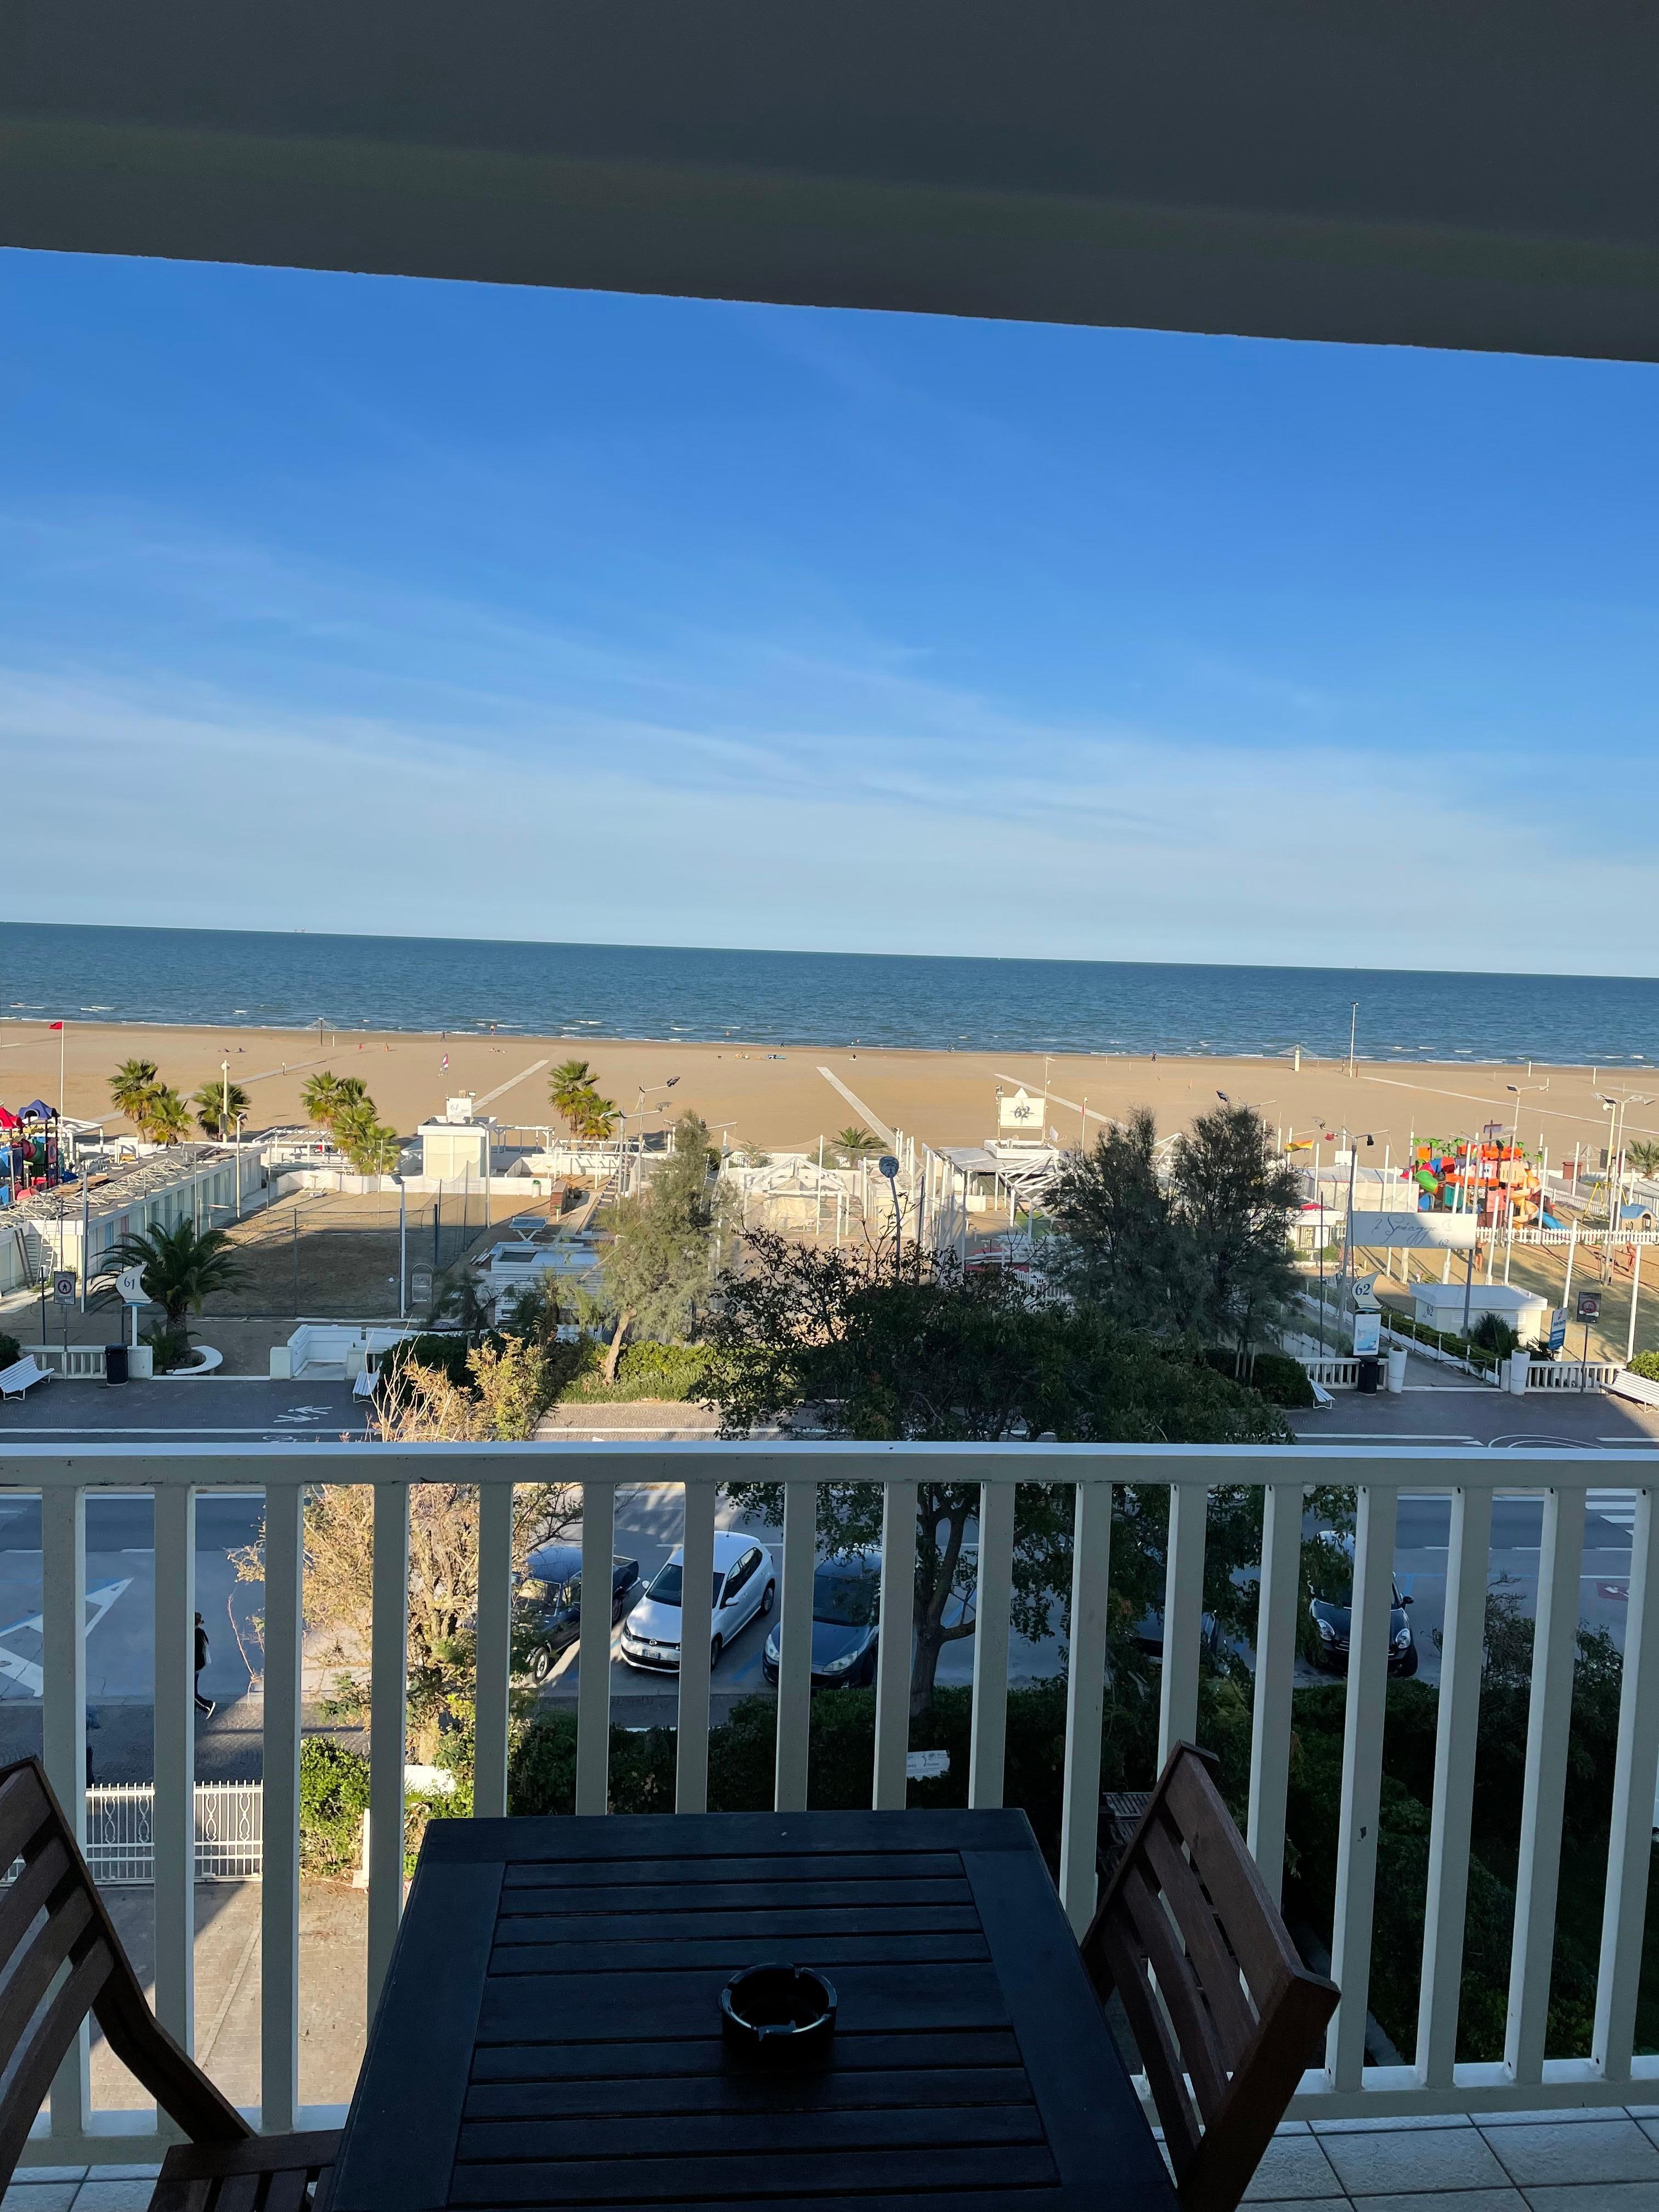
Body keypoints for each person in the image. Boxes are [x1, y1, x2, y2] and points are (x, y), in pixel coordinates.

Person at [194, 1612, 215, 1719]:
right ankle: (192, 1712)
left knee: (190, 1693)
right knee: (193, 1690)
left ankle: (207, 1706)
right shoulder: (201, 1633)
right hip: (200, 1664)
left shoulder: (193, 1634)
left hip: (194, 1665)